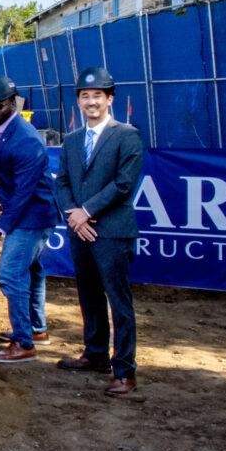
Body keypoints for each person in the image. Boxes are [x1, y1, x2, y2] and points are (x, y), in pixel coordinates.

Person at [55, 67, 144, 396]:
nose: (90, 101)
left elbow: (123, 185)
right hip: (80, 230)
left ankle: (125, 371)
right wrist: (75, 217)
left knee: (118, 301)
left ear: (109, 99)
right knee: (88, 296)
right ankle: (95, 355)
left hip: (111, 231)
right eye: (84, 96)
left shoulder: (127, 135)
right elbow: (62, 182)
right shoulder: (73, 140)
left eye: (97, 95)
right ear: (78, 101)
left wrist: (87, 212)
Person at [0, 75, 59, 364]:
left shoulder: (26, 140)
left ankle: (24, 343)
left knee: (10, 274)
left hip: (33, 216)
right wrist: (3, 195)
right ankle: (37, 329)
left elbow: (25, 192)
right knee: (34, 271)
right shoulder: (1, 130)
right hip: (25, 209)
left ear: (12, 103)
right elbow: (10, 178)